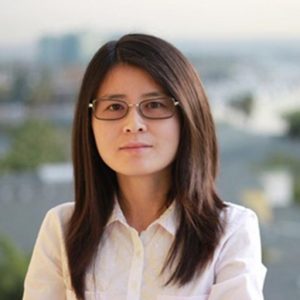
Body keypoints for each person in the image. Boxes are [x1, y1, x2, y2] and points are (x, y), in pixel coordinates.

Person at [23, 33, 267, 300]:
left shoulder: (231, 230)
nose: (133, 123)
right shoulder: (62, 228)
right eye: (115, 107)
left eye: (154, 105)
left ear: (188, 115)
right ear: (89, 121)